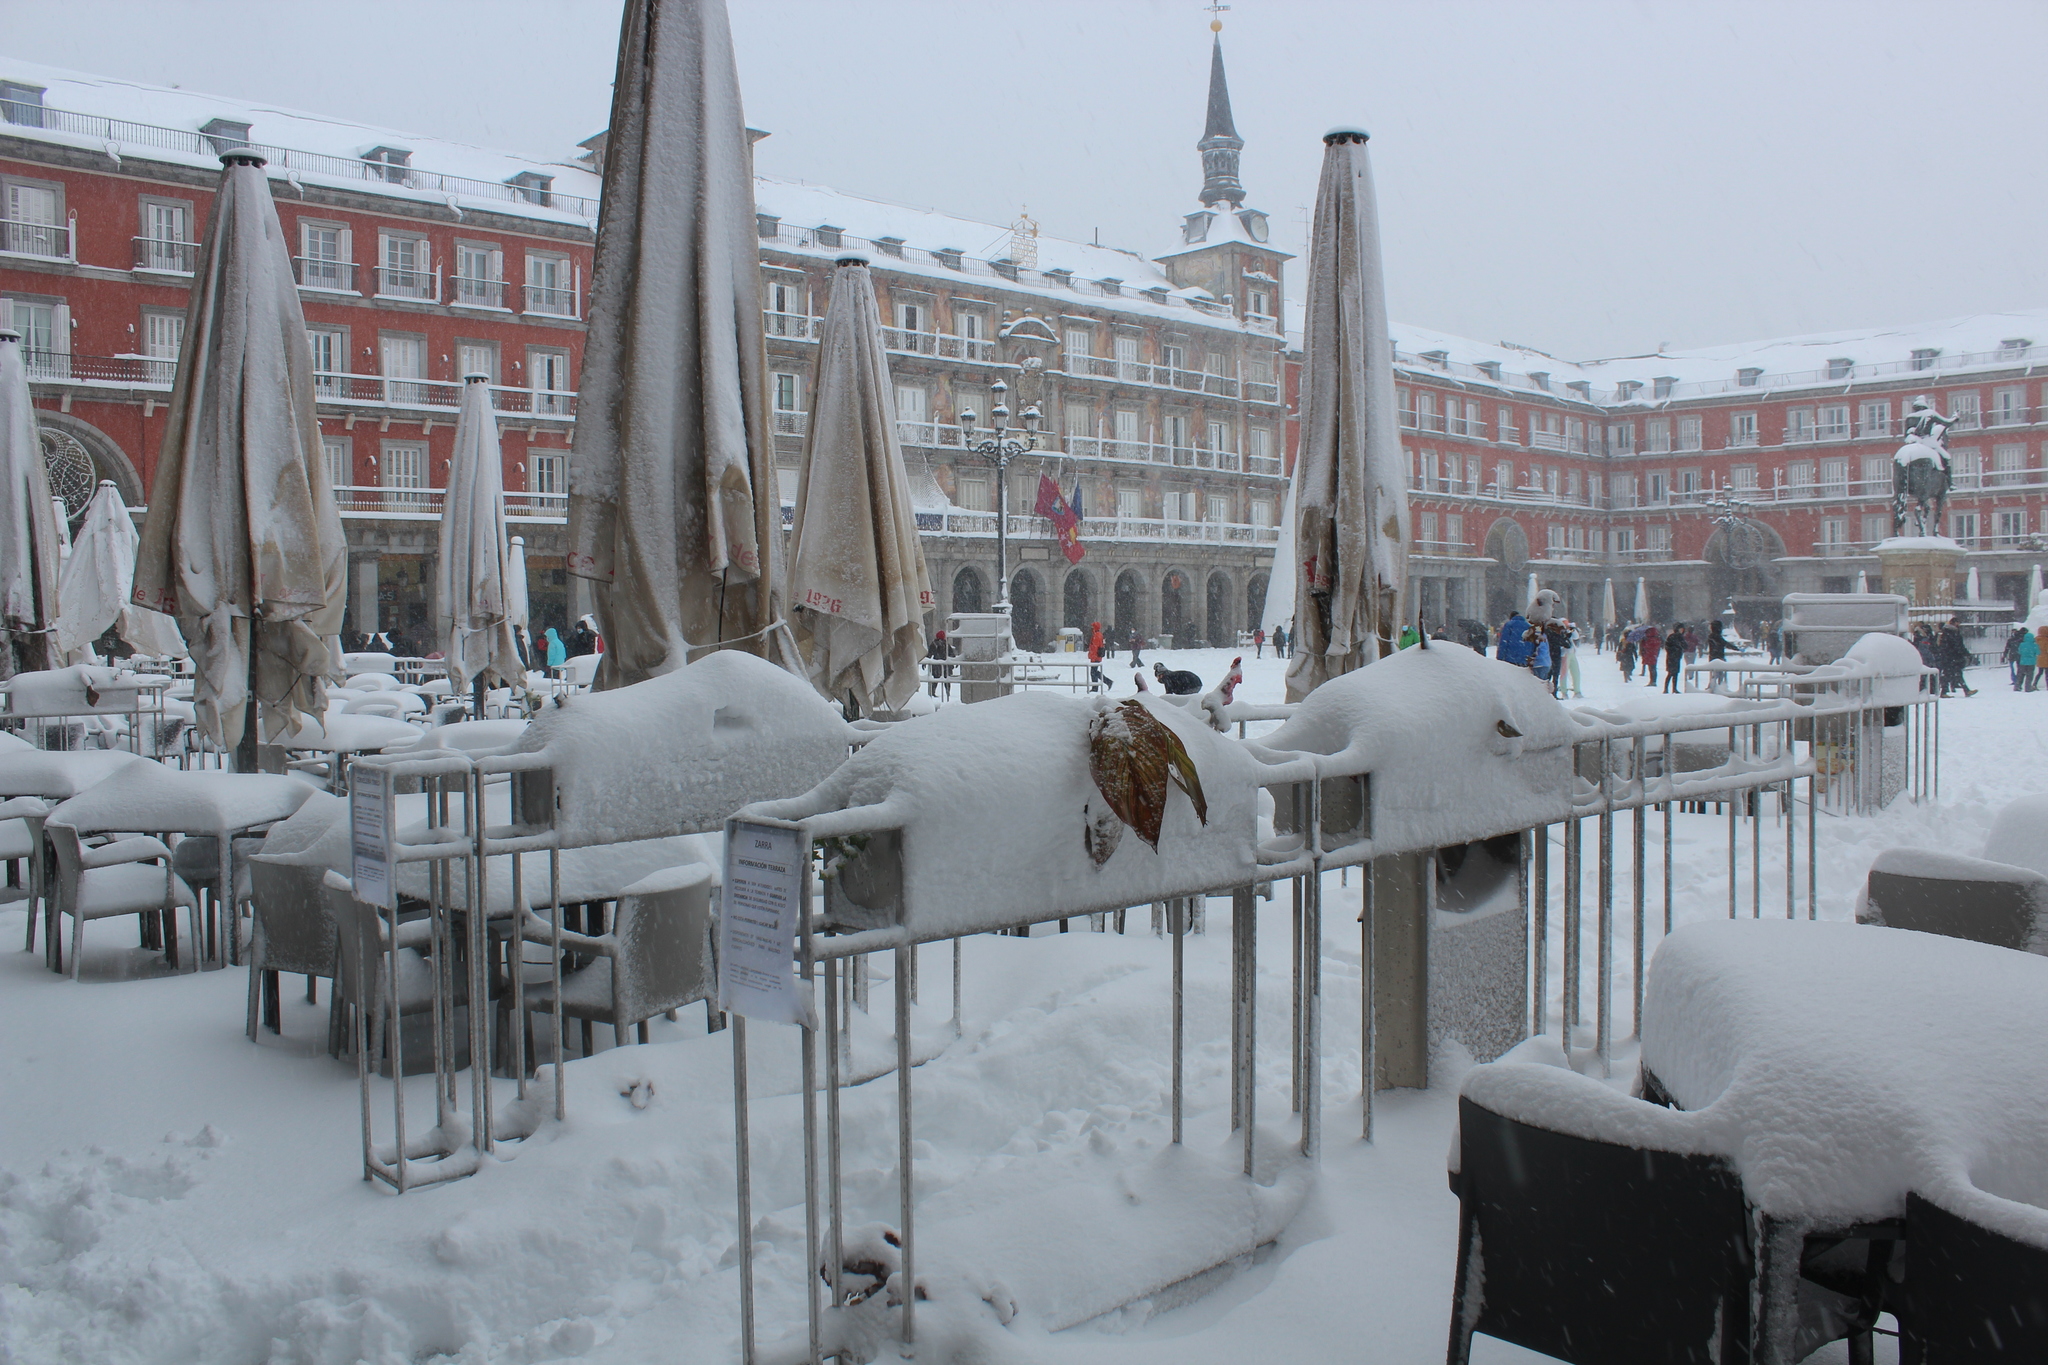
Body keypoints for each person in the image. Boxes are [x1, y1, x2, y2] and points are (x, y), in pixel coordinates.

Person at [1938, 617, 1977, 697]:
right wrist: (1965, 654)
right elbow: (1958, 646)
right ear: (1954, 623)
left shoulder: (1948, 632)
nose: (1959, 625)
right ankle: (1945, 692)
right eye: (1958, 623)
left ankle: (1946, 691)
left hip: (1949, 657)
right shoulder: (1952, 633)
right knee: (1953, 674)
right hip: (1952, 657)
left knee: (1953, 674)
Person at [1706, 620, 1729, 692]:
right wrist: (1735, 648)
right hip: (1718, 657)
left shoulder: (1712, 636)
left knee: (1716, 674)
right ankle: (1716, 687)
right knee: (1718, 674)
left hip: (1714, 657)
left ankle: (1715, 686)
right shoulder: (1715, 636)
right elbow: (1723, 643)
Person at [1662, 625, 1686, 694]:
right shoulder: (1675, 637)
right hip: (1673, 657)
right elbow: (1668, 647)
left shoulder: (1678, 637)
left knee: (1674, 673)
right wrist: (1675, 649)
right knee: (1671, 673)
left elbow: (1685, 645)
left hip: (1675, 657)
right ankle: (1668, 688)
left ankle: (1672, 688)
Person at [2020, 624, 2041, 692]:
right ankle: (2028, 687)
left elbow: (2019, 651)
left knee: (2021, 674)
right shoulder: (2034, 645)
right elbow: (2038, 652)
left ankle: (2017, 686)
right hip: (2031, 661)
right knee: (2029, 675)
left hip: (2023, 661)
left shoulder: (2022, 644)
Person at [2004, 626, 2026, 690]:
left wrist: (2004, 655)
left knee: (2013, 668)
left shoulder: (2011, 639)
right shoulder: (2021, 639)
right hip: (2018, 655)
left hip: (2012, 655)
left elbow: (2007, 647)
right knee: (2019, 668)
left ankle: (2015, 680)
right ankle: (2018, 679)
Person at [1086, 621, 1105, 691]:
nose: (1091, 628)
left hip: (1096, 657)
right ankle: (1106, 682)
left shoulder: (1096, 636)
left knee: (1093, 672)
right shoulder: (1098, 634)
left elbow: (1094, 648)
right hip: (1097, 656)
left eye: (1092, 626)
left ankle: (1095, 687)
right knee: (1095, 672)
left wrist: (1093, 657)